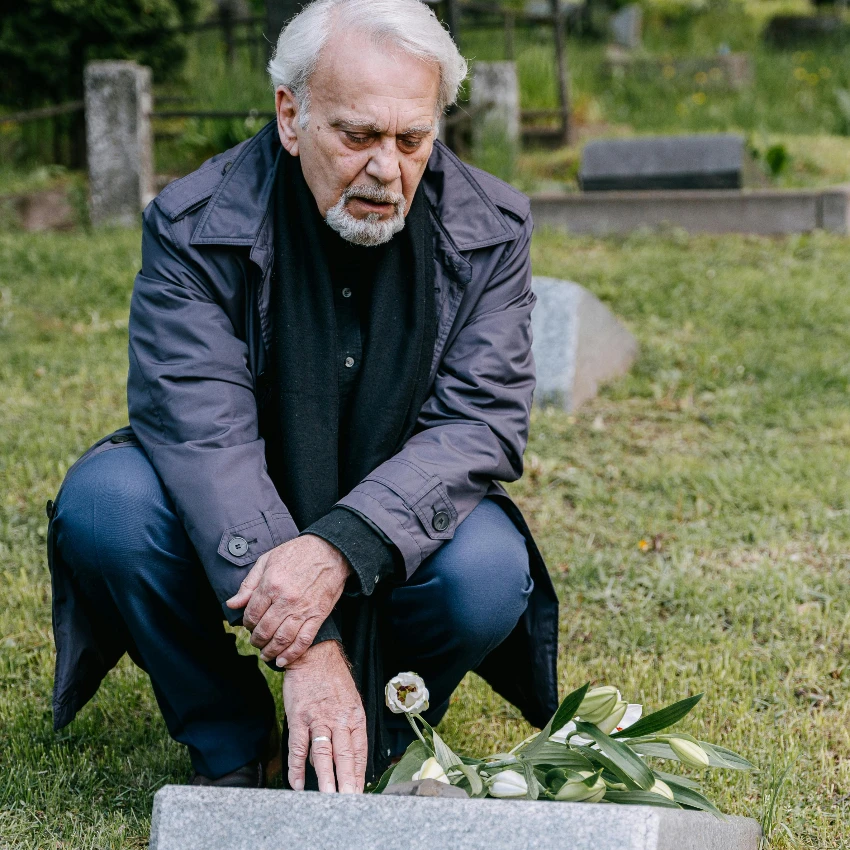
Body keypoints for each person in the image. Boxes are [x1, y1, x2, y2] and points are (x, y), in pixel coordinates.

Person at [47, 0, 558, 794]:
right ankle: (230, 742)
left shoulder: (489, 228)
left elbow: (478, 423)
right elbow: (199, 431)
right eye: (357, 136)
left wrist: (338, 548)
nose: (387, 168)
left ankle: (379, 735)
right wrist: (308, 639)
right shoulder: (195, 227)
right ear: (291, 116)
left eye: (412, 139)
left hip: (393, 519)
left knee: (488, 568)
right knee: (108, 506)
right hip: (238, 510)